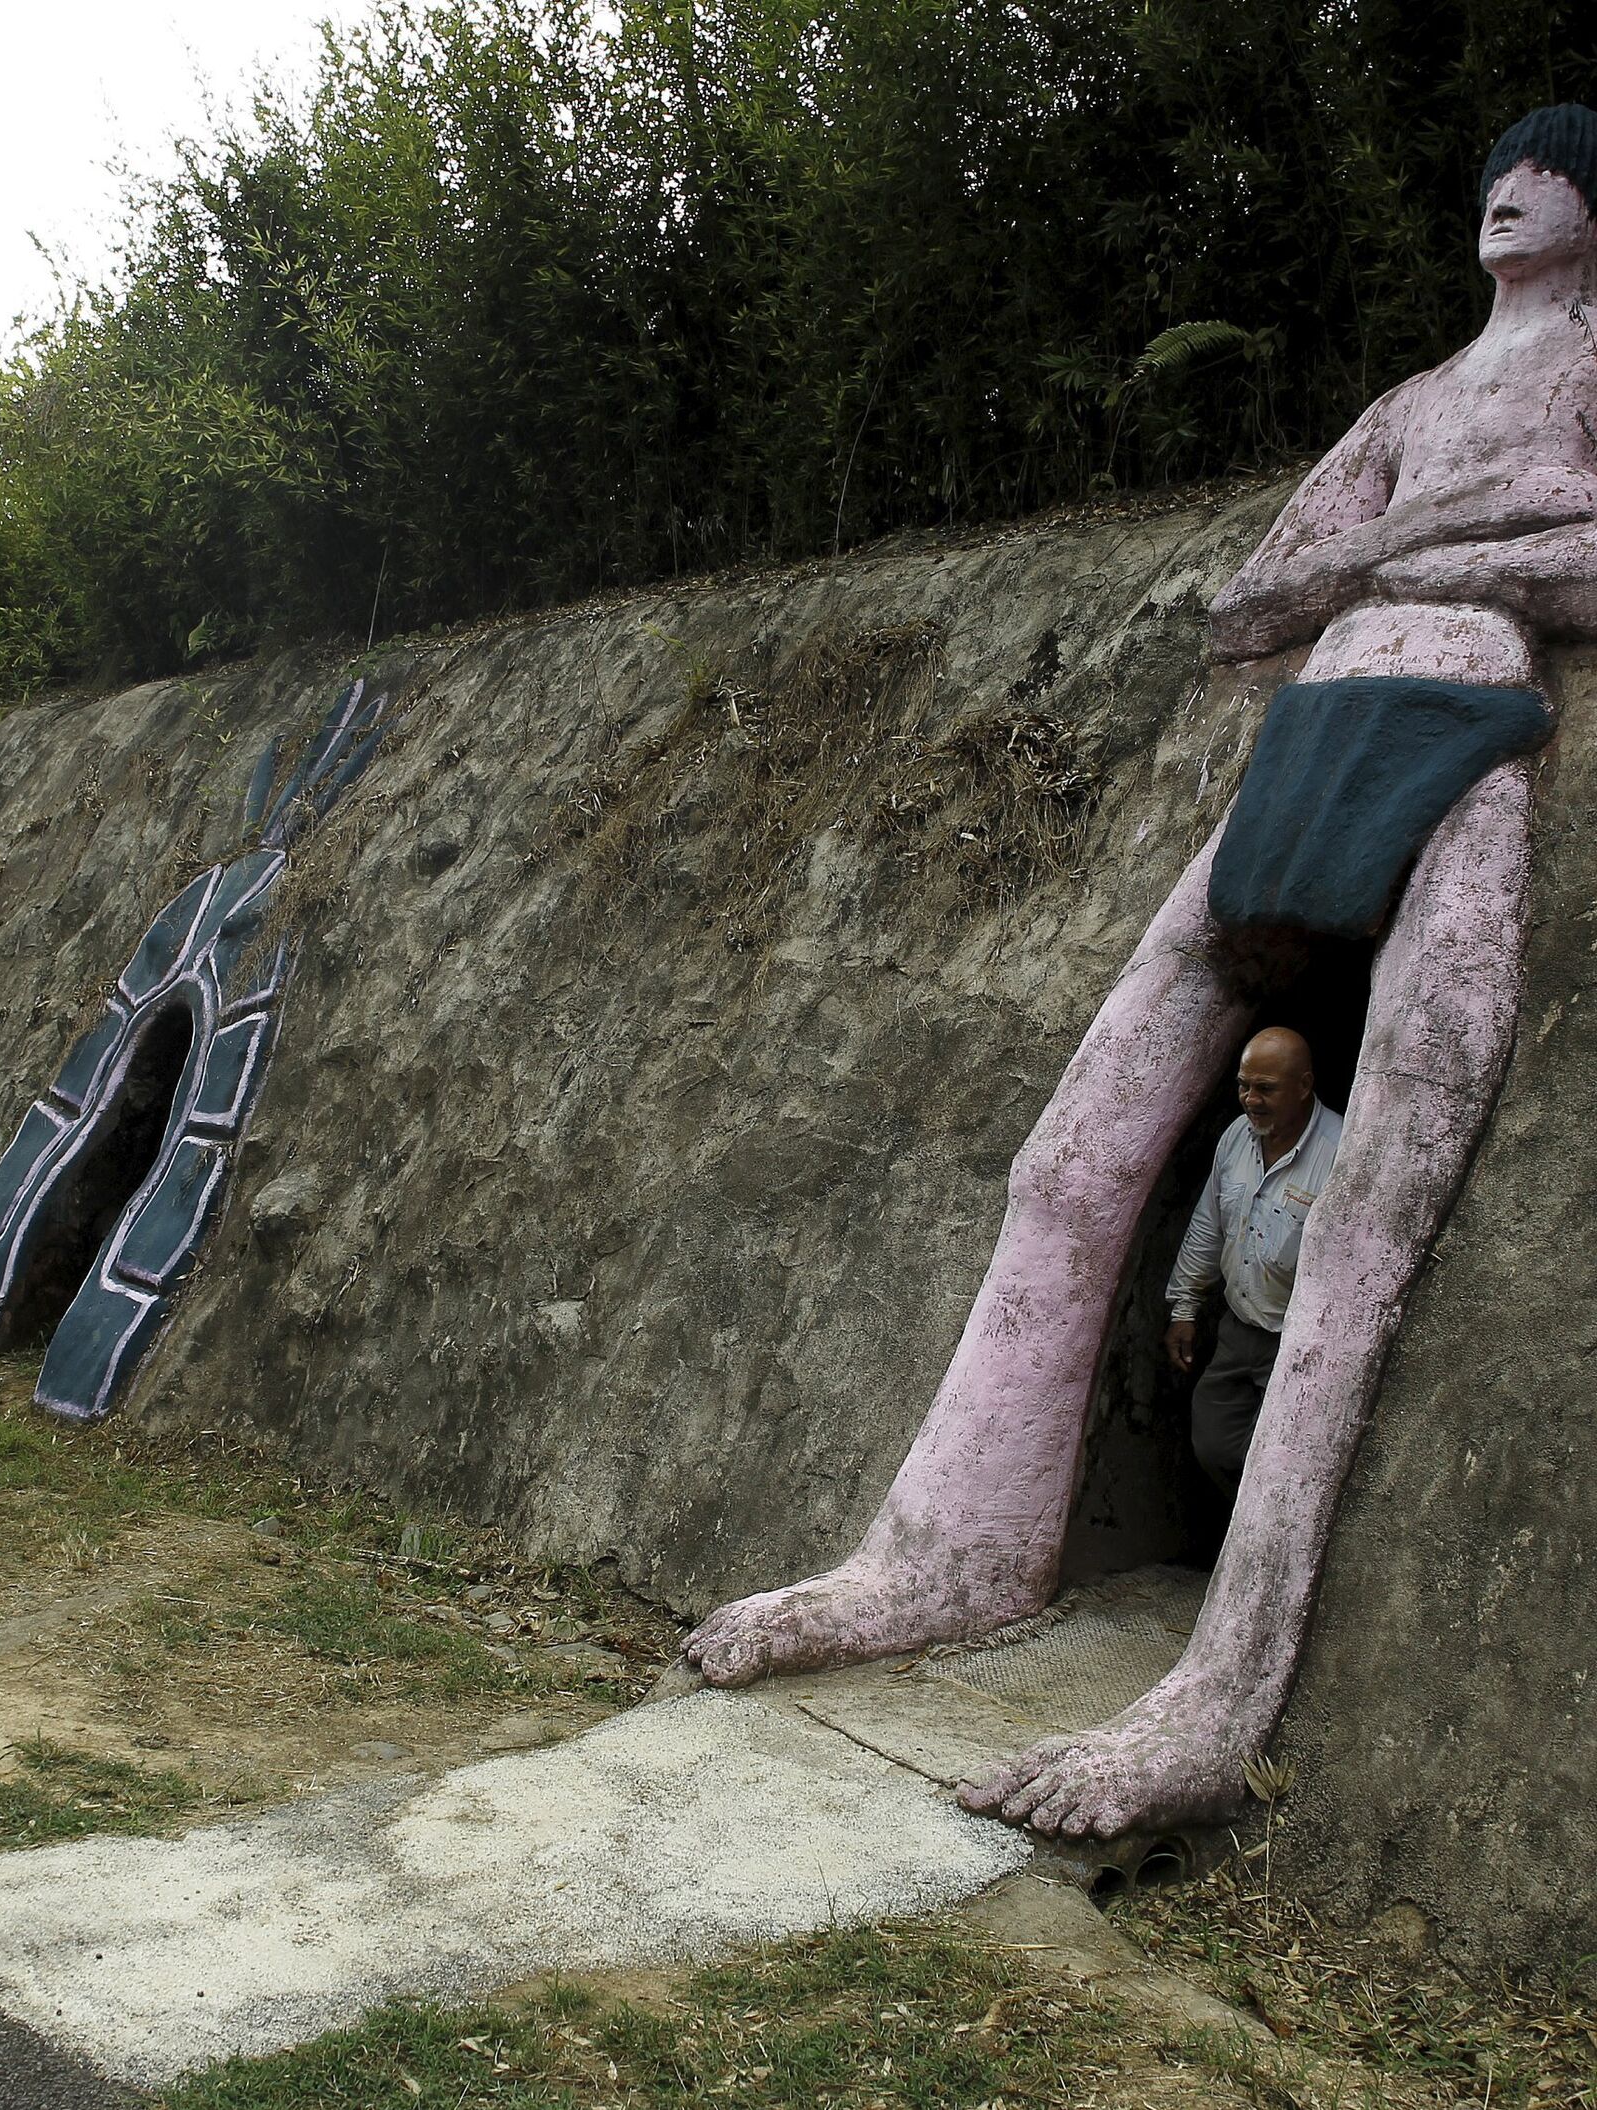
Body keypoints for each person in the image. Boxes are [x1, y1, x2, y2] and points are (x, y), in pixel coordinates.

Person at [681, 105, 1597, 1841]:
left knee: (1377, 1206)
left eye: (1549, 168)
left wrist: (1436, 560)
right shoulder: (1408, 407)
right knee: (1069, 1156)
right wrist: (1427, 547)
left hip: (1479, 717)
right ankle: (936, 1556)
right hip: (1311, 732)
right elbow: (1252, 599)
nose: (1512, 190)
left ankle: (1220, 1686)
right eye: (1498, 169)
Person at [1163, 1029, 1342, 1492]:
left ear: (1304, 1086)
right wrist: (1185, 1307)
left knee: (1283, 1460)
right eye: (1243, 1086)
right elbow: (1209, 1224)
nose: (1251, 1100)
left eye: (1265, 1088)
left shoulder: (1341, 1152)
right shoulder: (1237, 1137)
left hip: (1297, 1343)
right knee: (1213, 1443)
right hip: (1239, 1328)